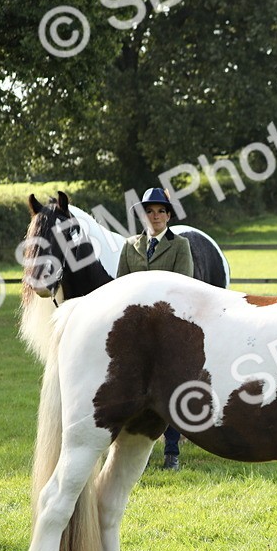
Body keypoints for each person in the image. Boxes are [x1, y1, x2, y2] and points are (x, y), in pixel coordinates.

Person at [116, 187, 195, 469]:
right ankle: (130, 450)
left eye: (161, 211)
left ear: (169, 216)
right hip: (135, 332)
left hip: (166, 329)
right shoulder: (129, 246)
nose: (155, 216)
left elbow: (183, 288)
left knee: (170, 389)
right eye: (150, 211)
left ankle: (172, 451)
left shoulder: (180, 246)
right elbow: (120, 289)